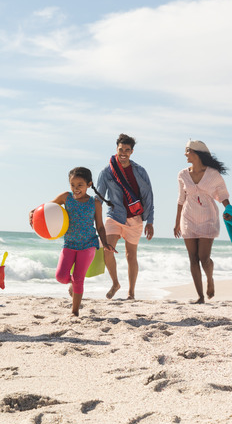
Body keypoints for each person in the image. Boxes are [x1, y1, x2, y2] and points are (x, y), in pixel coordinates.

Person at [30, 167, 116, 316]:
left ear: (89, 184)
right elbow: (46, 209)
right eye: (72, 185)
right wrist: (33, 212)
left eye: (80, 185)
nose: (76, 189)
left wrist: (106, 243)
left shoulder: (94, 203)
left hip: (88, 244)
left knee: (79, 278)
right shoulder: (65, 197)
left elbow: (100, 226)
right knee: (61, 276)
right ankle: (73, 284)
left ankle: (74, 312)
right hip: (69, 243)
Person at [96, 134, 155, 300]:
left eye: (127, 150)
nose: (123, 153)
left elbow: (149, 196)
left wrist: (150, 221)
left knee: (131, 255)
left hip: (135, 219)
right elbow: (99, 198)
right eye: (121, 149)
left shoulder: (140, 171)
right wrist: (93, 218)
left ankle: (131, 292)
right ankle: (115, 283)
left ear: (132, 152)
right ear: (116, 149)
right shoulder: (106, 172)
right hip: (114, 216)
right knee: (107, 249)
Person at [173, 140, 232, 304]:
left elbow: (223, 194)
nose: (185, 154)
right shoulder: (182, 175)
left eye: (187, 151)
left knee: (204, 258)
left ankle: (210, 279)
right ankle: (200, 296)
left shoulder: (213, 174)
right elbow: (180, 199)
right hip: (188, 219)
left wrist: (229, 210)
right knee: (192, 258)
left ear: (197, 153)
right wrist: (177, 222)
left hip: (208, 218)